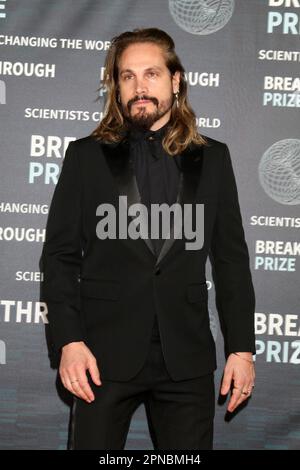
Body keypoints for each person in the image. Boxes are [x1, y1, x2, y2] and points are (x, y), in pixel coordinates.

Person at [41, 28, 256, 450]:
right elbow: (61, 256)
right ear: (116, 87)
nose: (140, 87)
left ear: (176, 81)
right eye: (127, 76)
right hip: (101, 357)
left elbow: (231, 260)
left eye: (152, 74)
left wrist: (242, 350)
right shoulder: (85, 157)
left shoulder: (214, 158)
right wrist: (69, 341)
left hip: (186, 358)